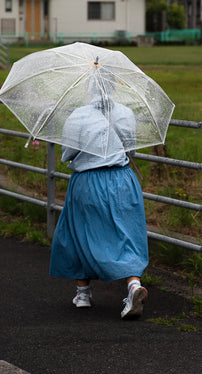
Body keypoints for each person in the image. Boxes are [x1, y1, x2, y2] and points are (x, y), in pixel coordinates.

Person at [49, 68, 149, 319]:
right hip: (123, 180)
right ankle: (133, 286)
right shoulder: (126, 113)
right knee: (126, 234)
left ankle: (83, 293)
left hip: (89, 181)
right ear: (113, 86)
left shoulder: (78, 116)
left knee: (79, 232)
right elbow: (131, 150)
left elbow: (67, 154)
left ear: (88, 87)